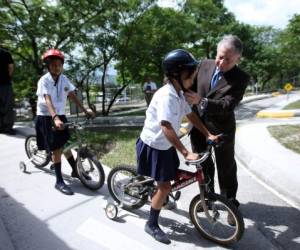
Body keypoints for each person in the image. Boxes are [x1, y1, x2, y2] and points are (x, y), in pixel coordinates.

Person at [136, 49, 219, 244]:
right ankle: (152, 223)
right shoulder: (167, 96)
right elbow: (165, 126)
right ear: (178, 74)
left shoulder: (179, 93)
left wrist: (208, 134)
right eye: (190, 72)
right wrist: (185, 151)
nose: (193, 76)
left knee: (170, 175)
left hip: (165, 146)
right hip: (154, 145)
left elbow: (190, 115)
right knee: (164, 186)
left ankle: (160, 192)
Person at [185, 35, 250, 225]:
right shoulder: (204, 64)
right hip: (198, 126)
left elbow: (227, 105)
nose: (221, 62)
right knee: (203, 165)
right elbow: (189, 85)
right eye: (219, 56)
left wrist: (202, 101)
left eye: (228, 59)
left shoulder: (241, 78)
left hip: (223, 129)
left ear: (238, 58)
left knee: (226, 167)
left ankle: (231, 203)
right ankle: (209, 200)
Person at [35, 49, 95, 195]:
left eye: (59, 65)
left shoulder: (64, 79)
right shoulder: (44, 80)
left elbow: (72, 95)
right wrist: (55, 118)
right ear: (48, 66)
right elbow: (47, 99)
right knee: (57, 148)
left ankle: (75, 171)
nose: (57, 67)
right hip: (47, 116)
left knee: (65, 144)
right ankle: (59, 181)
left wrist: (85, 110)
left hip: (60, 115)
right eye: (53, 65)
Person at [0, 47, 15, 135]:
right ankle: (8, 128)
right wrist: (8, 77)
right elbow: (11, 67)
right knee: (8, 106)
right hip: (5, 83)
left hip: (5, 83)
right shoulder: (5, 53)